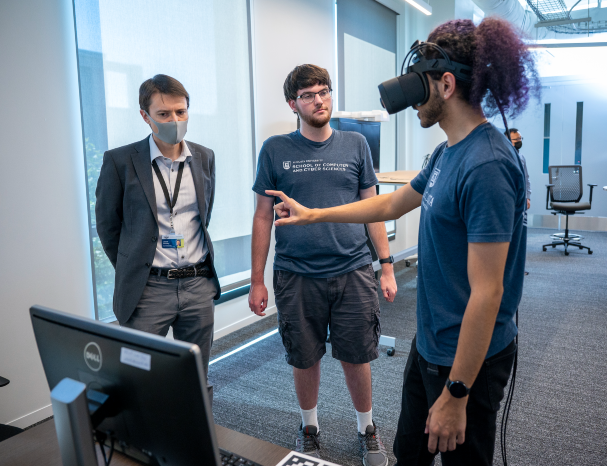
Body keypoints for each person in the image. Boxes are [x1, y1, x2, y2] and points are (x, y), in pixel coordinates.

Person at [266, 18, 538, 466]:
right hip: (431, 342)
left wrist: (457, 392)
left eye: (419, 86)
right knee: (409, 452)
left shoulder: (486, 164)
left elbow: (489, 294)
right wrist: (315, 213)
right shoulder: (447, 152)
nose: (411, 102)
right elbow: (391, 205)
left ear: (446, 84)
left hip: (466, 362)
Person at [249, 64, 397, 465]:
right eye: (309, 94)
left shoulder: (356, 145)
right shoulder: (275, 149)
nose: (319, 100)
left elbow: (374, 210)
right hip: (296, 273)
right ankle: (309, 427)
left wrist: (386, 265)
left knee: (357, 354)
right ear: (293, 104)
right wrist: (256, 280)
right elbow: (263, 216)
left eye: (324, 91)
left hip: (352, 269)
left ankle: (367, 429)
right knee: (305, 355)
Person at [95, 74, 220, 399]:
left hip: (197, 284)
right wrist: (135, 264)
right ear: (145, 116)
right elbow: (108, 226)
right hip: (148, 289)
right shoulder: (120, 161)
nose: (174, 120)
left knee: (195, 376)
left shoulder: (204, 157)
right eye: (164, 114)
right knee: (138, 377)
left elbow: (202, 217)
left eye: (181, 112)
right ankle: (143, 442)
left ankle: (194, 442)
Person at [506, 128, 531, 275]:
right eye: (517, 140)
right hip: (508, 203)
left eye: (521, 139)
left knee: (520, 236)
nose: (520, 142)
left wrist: (528, 196)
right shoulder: (503, 157)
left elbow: (526, 178)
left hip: (521, 203)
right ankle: (508, 268)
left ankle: (518, 267)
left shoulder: (521, 158)